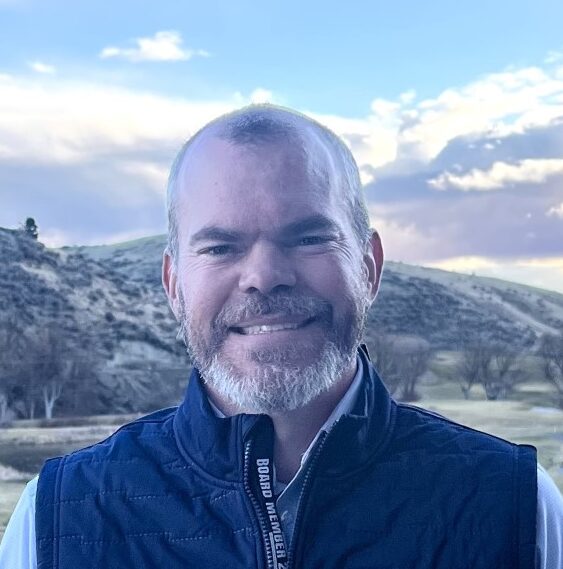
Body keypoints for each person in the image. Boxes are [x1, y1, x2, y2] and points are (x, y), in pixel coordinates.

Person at [1, 104, 562, 568]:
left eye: (309, 237)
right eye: (220, 247)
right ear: (174, 284)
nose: (265, 275)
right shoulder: (55, 520)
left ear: (369, 265)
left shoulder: (517, 508)